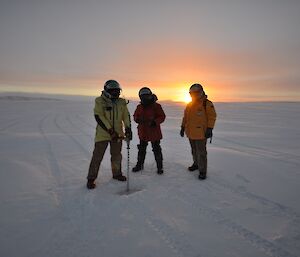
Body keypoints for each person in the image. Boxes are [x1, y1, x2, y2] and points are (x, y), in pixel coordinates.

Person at [86, 80, 132, 189]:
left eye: (117, 91)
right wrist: (110, 130)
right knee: (97, 156)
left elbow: (126, 115)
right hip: (103, 135)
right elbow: (99, 116)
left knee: (116, 155)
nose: (116, 93)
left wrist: (128, 128)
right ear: (107, 90)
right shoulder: (100, 101)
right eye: (113, 91)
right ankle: (91, 178)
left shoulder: (121, 102)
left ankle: (117, 174)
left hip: (118, 135)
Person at [180, 83, 217, 180]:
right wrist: (183, 127)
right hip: (191, 132)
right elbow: (186, 117)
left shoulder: (207, 104)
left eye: (196, 93)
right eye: (192, 93)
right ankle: (196, 164)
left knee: (201, 153)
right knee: (194, 150)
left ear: (201, 92)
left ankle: (202, 171)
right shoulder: (189, 104)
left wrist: (210, 129)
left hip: (201, 133)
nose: (194, 95)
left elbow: (212, 117)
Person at [132, 87, 166, 174]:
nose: (145, 98)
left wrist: (155, 122)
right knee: (141, 150)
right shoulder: (139, 107)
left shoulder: (157, 106)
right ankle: (139, 165)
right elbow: (135, 115)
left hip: (154, 132)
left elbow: (162, 116)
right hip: (143, 132)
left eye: (146, 96)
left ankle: (159, 167)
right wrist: (137, 119)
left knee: (156, 149)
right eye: (143, 96)